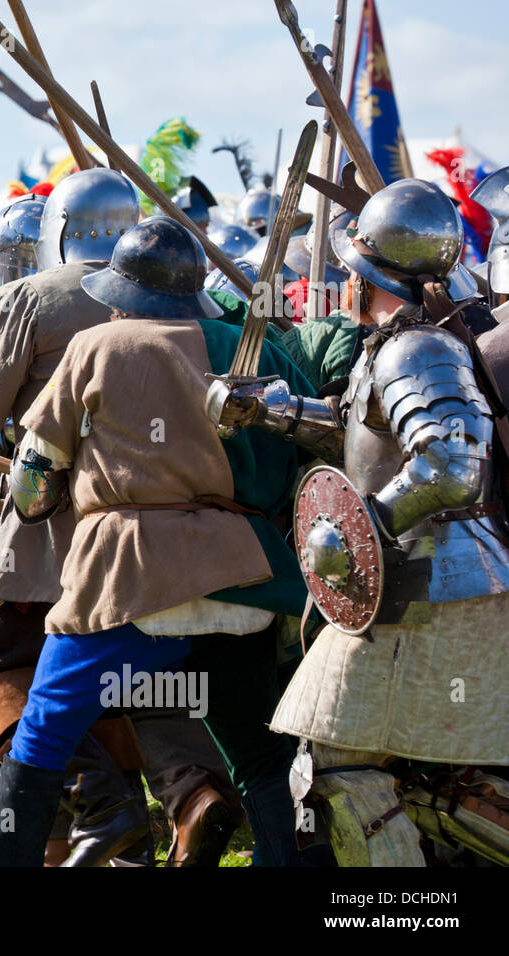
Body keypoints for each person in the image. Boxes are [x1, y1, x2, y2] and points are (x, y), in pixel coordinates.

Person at [0, 216, 315, 867]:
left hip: (125, 576)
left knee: (43, 733)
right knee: (262, 759)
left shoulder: (96, 347)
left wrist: (54, 490)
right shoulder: (257, 349)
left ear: (120, 288)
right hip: (238, 574)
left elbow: (32, 481)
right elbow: (288, 471)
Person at [209, 178, 509, 866]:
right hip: (418, 580)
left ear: (368, 272)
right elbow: (357, 430)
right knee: (421, 777)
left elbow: (452, 463)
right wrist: (274, 411)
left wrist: (363, 524)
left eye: (348, 267)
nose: (341, 279)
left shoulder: (417, 350)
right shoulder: (397, 345)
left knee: (338, 770)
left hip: (432, 579)